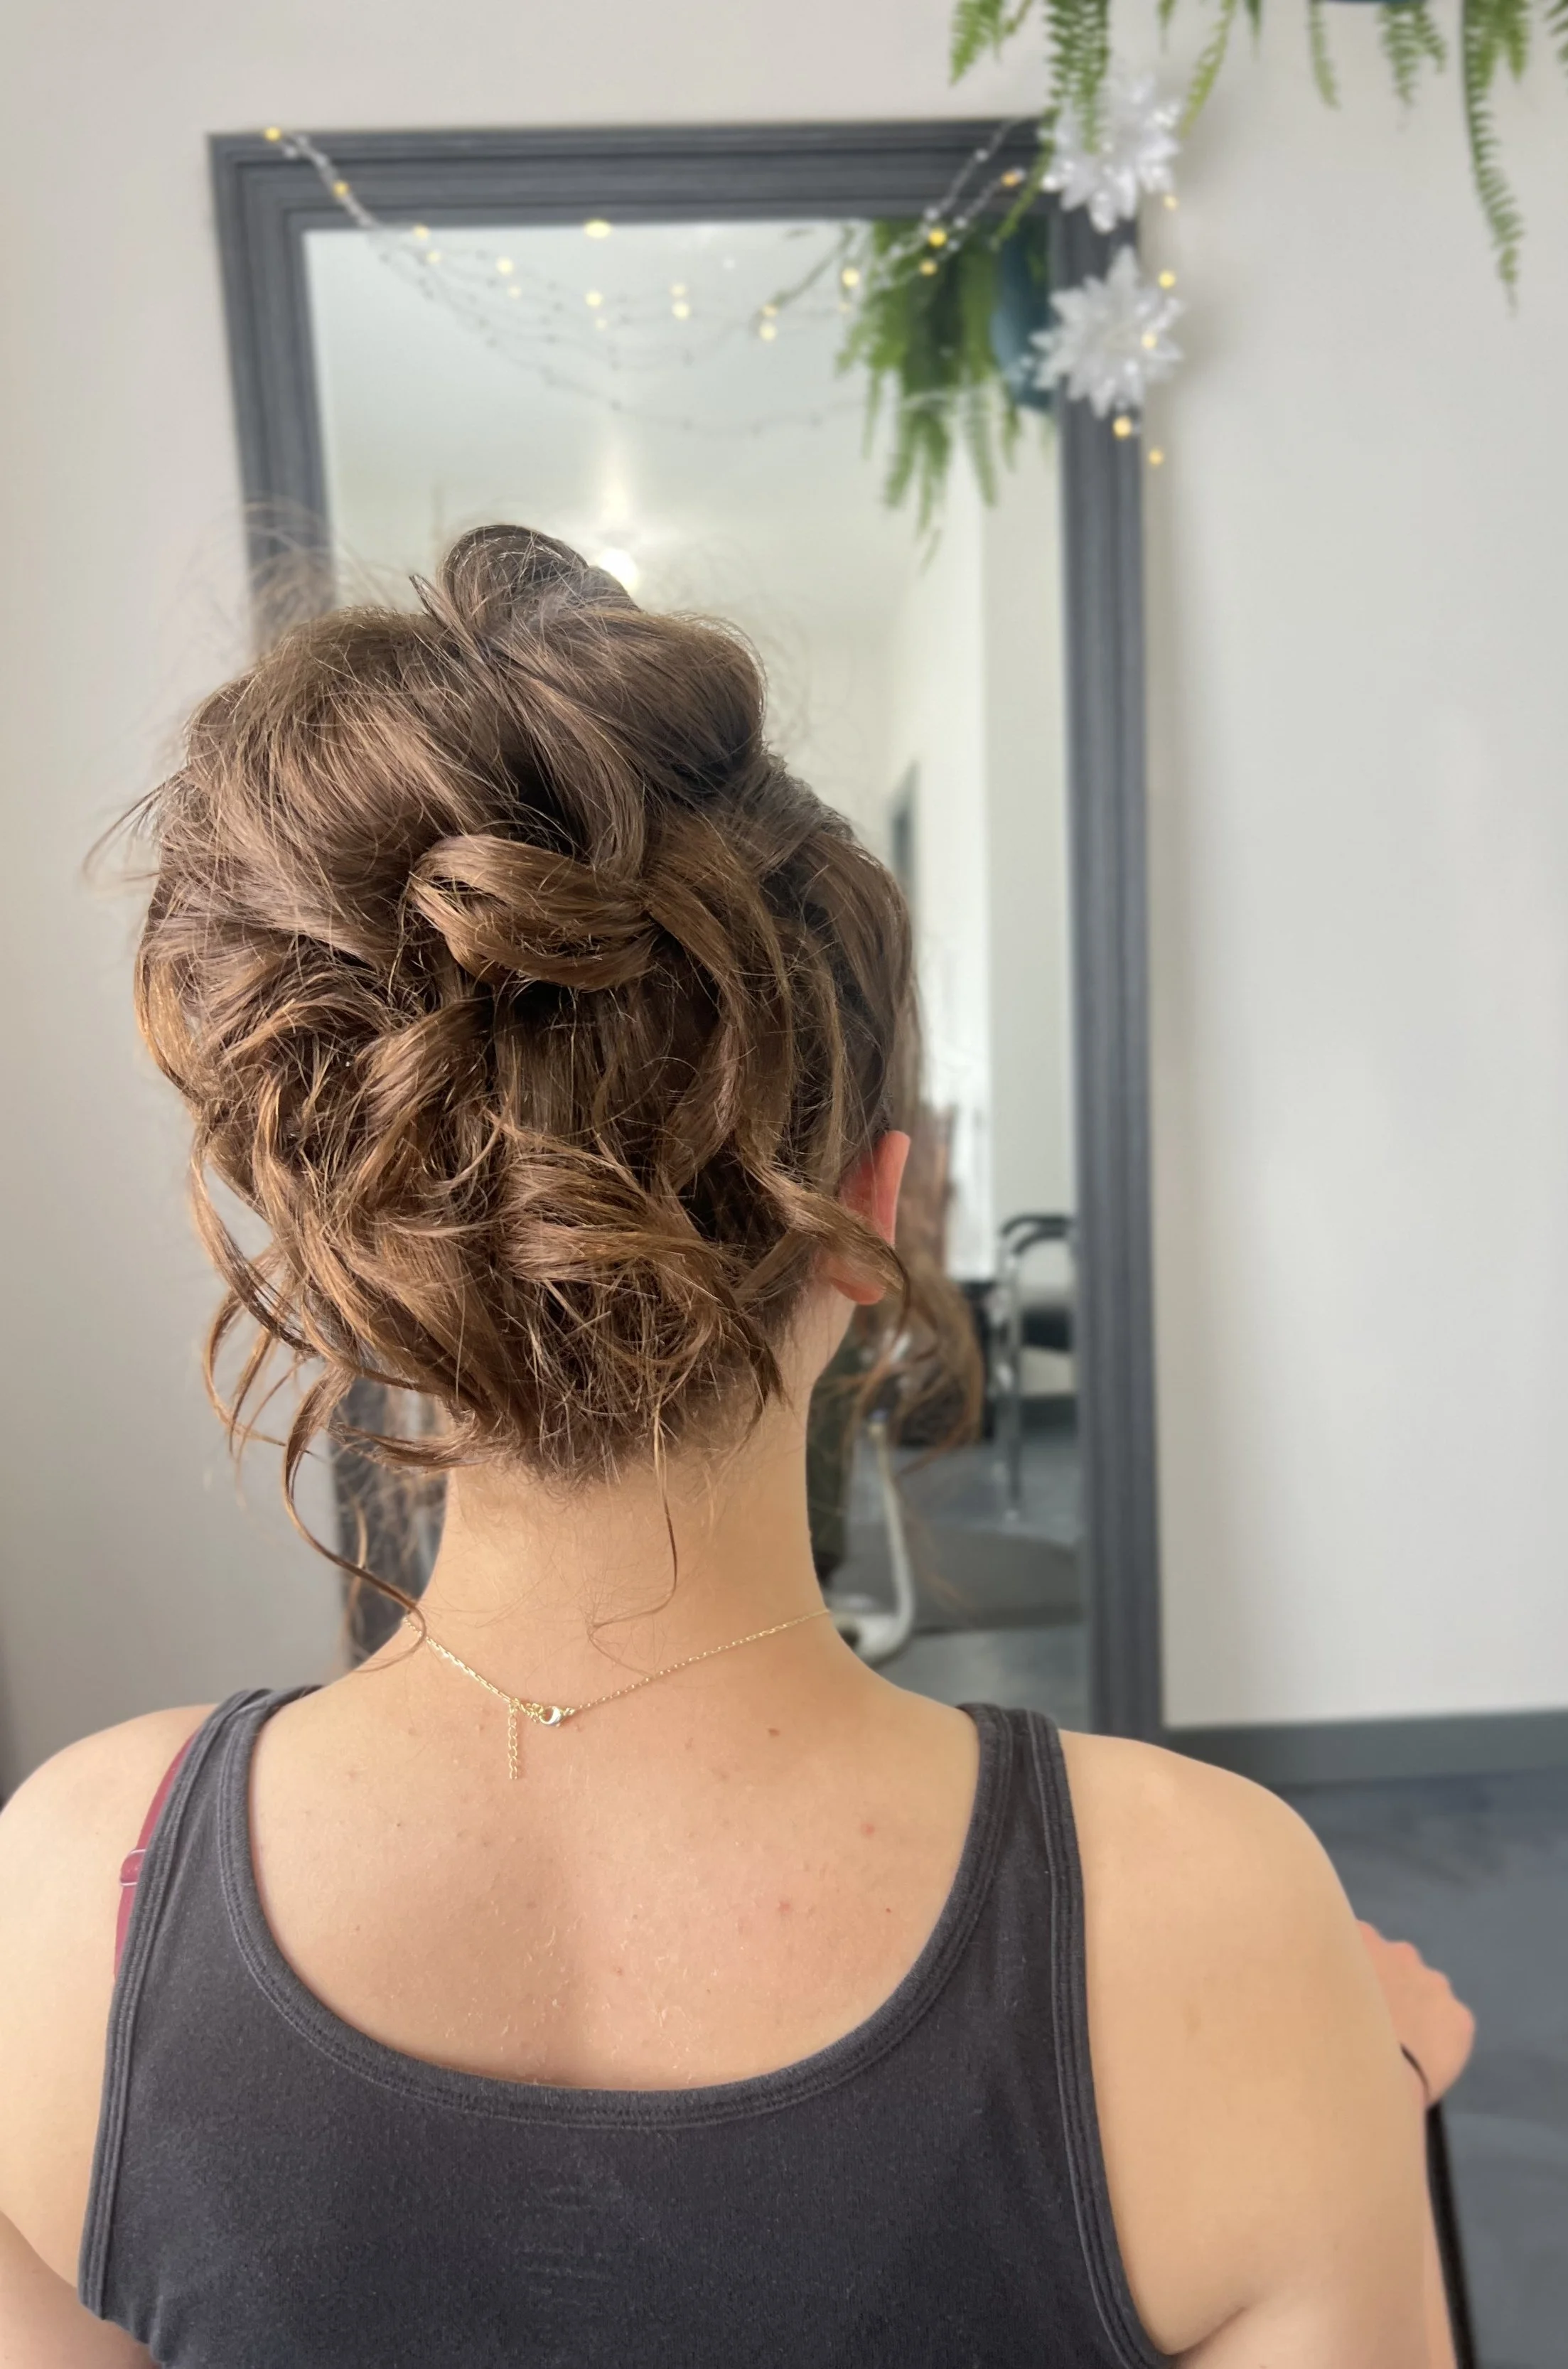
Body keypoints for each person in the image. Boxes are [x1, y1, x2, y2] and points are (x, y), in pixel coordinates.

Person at [0, 527, 1473, 2367]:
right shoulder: (1210, 1919)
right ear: (871, 1213)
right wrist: (1348, 2096)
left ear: (342, 1238)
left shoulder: (75, 1886)